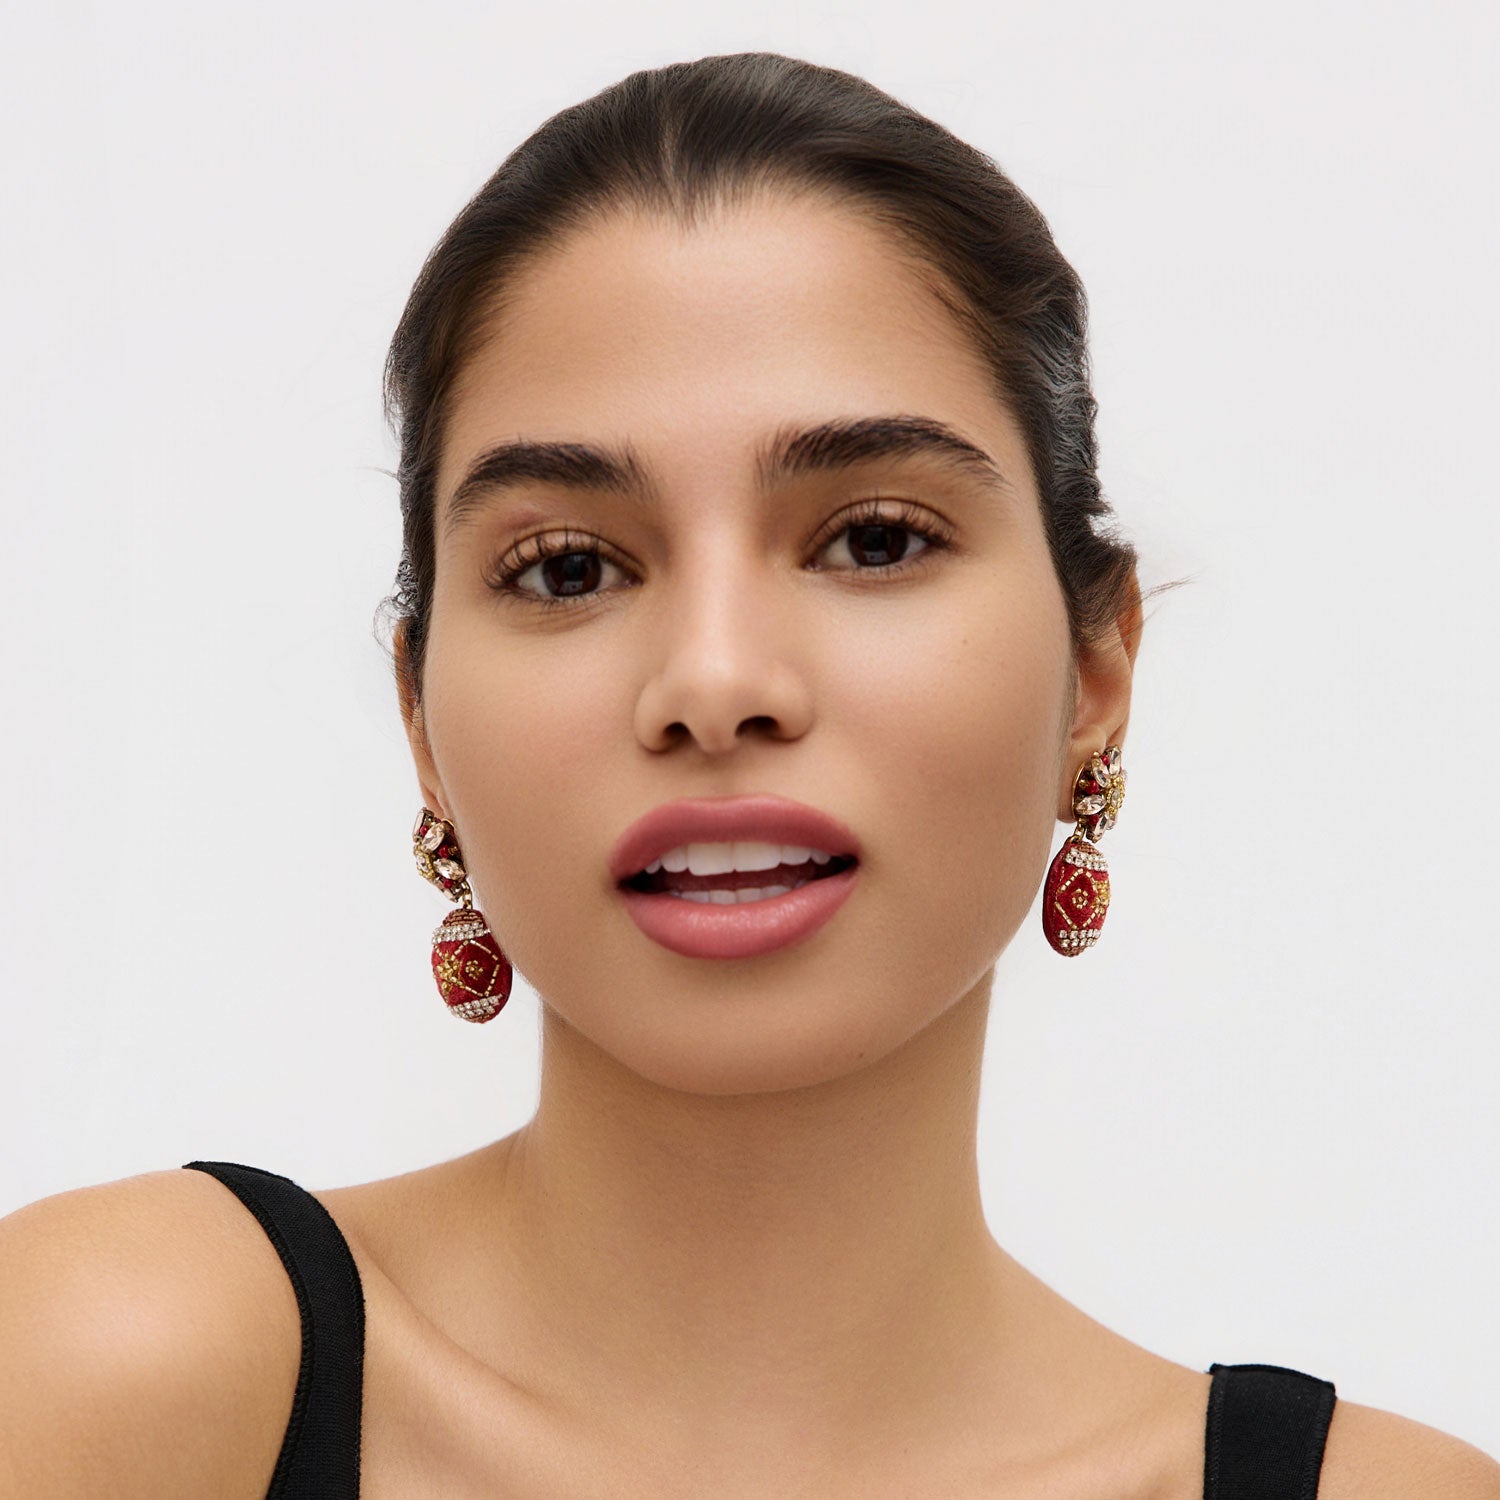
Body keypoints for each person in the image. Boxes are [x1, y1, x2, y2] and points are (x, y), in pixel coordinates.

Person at [2, 50, 1496, 1500]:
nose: (714, 683)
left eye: (876, 540)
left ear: (1097, 669)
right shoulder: (120, 1367)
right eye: (569, 565)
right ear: (420, 721)